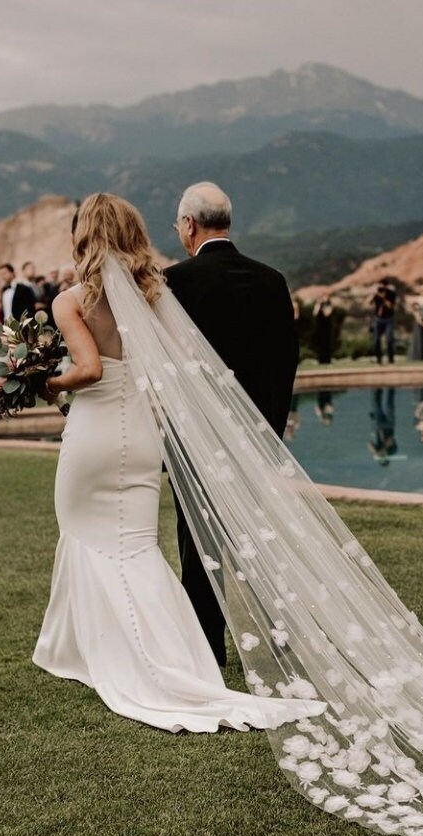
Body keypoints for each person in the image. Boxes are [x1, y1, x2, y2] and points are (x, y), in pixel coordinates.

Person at [33, 192, 423, 836]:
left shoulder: (156, 287)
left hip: (158, 436)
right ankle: (193, 654)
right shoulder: (231, 283)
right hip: (233, 433)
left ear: (188, 225)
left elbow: (143, 368)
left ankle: (193, 658)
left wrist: (38, 380)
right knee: (199, 551)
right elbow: (278, 358)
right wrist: (265, 431)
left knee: (187, 554)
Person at [34, 192, 322, 736]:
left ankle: (85, 649)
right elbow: (187, 363)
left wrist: (43, 381)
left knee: (81, 531)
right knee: (139, 546)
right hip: (142, 436)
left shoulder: (70, 301)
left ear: (83, 235)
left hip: (96, 433)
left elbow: (90, 369)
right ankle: (179, 655)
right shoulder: (154, 293)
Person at [164, 182, 298, 667]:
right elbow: (287, 363)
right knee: (261, 537)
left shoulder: (176, 280)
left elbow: (167, 369)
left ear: (189, 225)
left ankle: (207, 645)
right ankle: (280, 638)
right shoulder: (272, 279)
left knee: (199, 541)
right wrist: (270, 432)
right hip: (258, 435)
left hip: (196, 436)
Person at [370, 278, 396, 364]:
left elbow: (391, 306)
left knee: (389, 339)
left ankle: (391, 359)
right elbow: (368, 302)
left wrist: (383, 298)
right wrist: (374, 294)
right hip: (378, 319)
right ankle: (378, 359)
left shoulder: (391, 294)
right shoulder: (376, 294)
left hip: (388, 319)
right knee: (376, 340)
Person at [312, 291, 334, 364]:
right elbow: (314, 313)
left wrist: (322, 306)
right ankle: (321, 359)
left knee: (327, 343)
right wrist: (318, 304)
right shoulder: (319, 304)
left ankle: (327, 360)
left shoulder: (329, 304)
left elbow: (327, 313)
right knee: (321, 343)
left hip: (327, 327)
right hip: (320, 327)